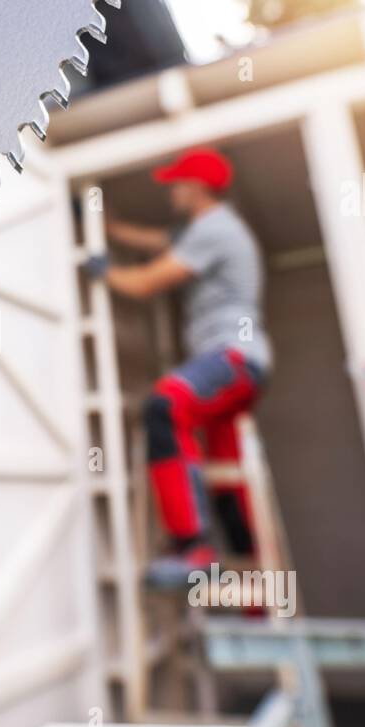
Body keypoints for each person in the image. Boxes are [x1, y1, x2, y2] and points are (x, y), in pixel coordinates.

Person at [83, 148, 272, 588]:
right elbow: (157, 242)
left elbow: (147, 282)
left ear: (197, 187)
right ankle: (251, 578)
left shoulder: (215, 230)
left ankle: (194, 549)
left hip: (232, 357)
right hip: (241, 363)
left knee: (164, 408)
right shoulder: (206, 230)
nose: (171, 190)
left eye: (177, 183)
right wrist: (108, 227)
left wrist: (102, 271)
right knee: (224, 471)